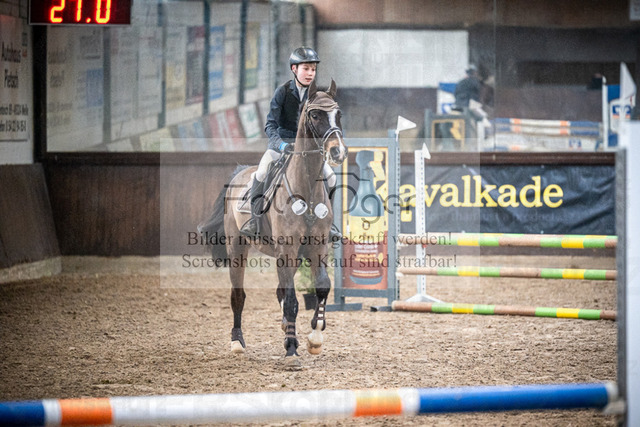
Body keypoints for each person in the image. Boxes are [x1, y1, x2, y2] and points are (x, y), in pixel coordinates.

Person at [240, 47, 341, 242]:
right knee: (261, 173)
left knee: (331, 177)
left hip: (309, 152)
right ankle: (255, 221)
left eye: (313, 69)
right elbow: (270, 126)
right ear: (294, 69)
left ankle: (329, 224)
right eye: (306, 69)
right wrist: (281, 145)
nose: (310, 73)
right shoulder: (283, 92)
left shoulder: (318, 97)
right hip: (282, 146)